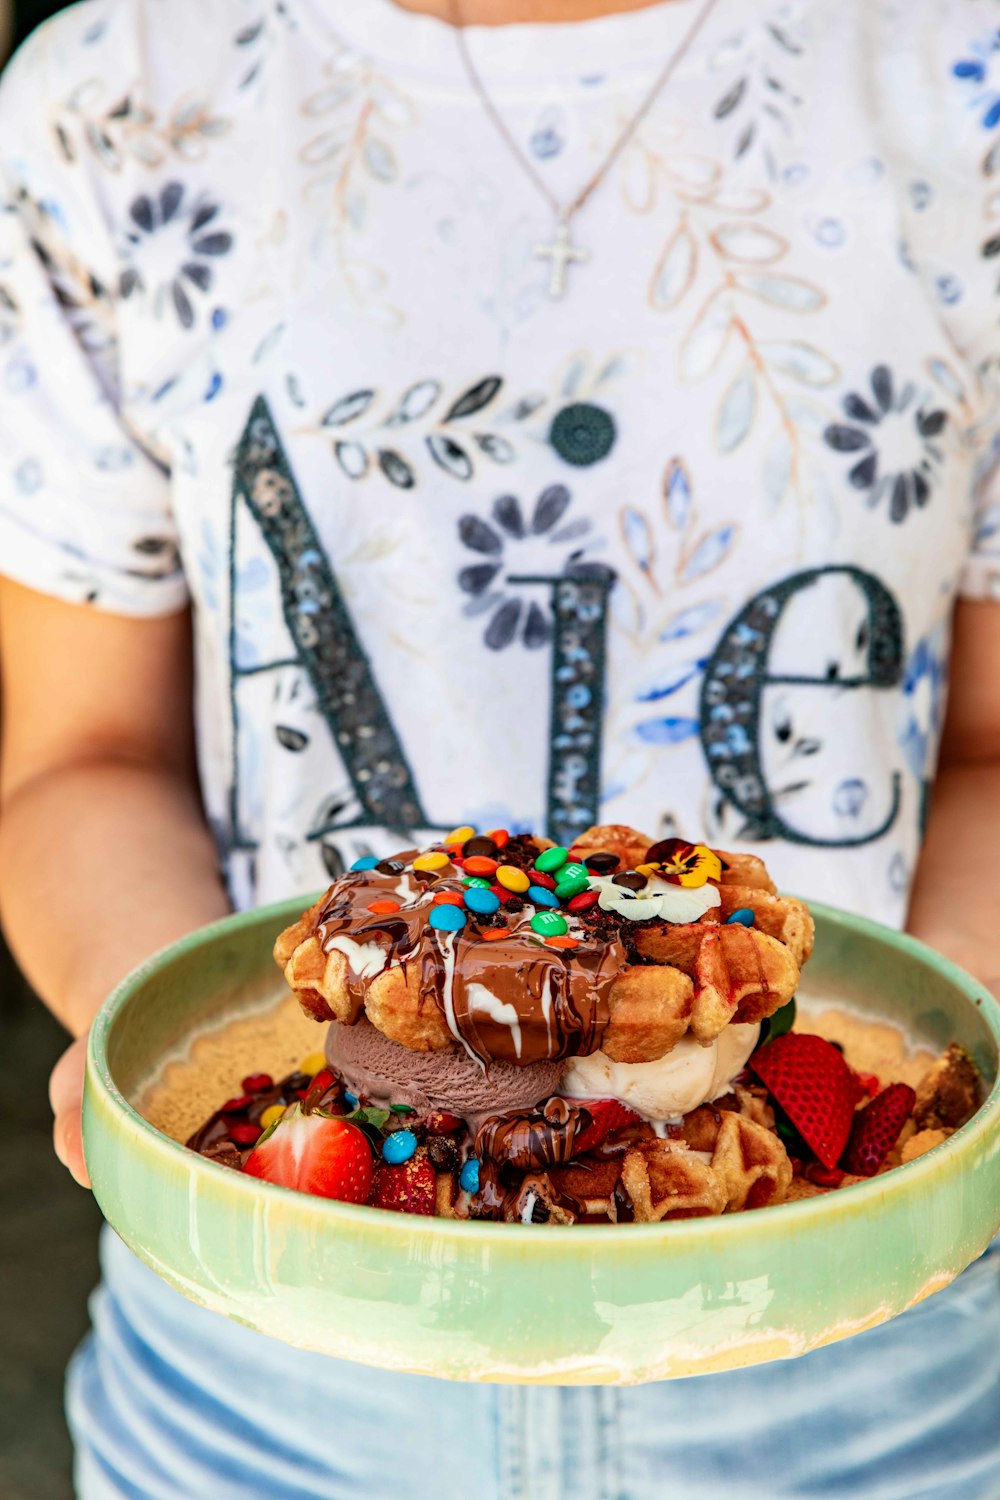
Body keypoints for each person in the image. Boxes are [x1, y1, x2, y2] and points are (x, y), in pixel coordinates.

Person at [0, 0, 998, 1494]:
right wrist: (169, 1075)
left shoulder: (960, 84)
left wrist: (929, 1104)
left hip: (879, 1372)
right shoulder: (121, 93)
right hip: (259, 1376)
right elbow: (83, 754)